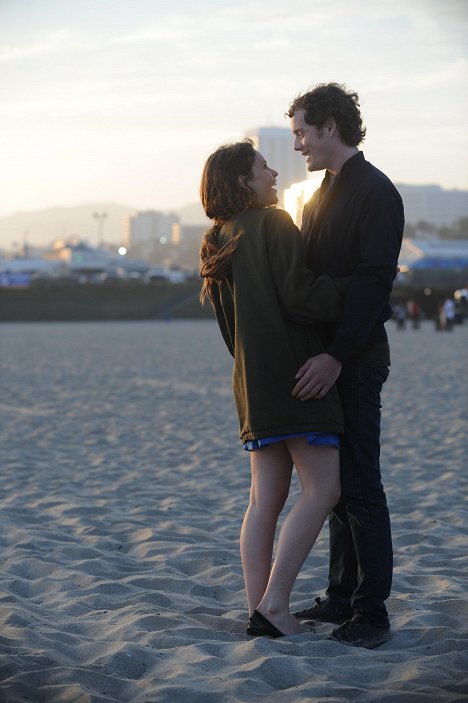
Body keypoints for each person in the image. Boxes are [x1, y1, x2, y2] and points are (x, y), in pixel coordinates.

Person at [199, 139, 350, 638]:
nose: (273, 174)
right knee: (324, 488)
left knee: (263, 502)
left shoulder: (217, 238)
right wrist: (353, 288)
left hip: (252, 384)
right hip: (299, 377)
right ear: (243, 180)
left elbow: (228, 331)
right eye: (263, 167)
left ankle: (259, 607)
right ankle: (277, 605)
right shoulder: (274, 223)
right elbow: (302, 297)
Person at [288, 83, 404, 649]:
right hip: (326, 359)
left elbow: (374, 282)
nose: (298, 145)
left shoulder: (377, 192)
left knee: (361, 485)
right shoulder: (318, 195)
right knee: (332, 487)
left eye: (302, 133)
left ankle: (372, 613)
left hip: (355, 360)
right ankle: (339, 597)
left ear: (330, 127)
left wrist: (336, 355)